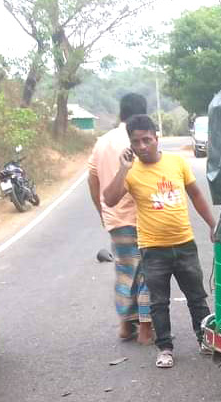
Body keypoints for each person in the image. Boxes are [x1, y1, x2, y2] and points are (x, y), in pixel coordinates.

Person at [103, 115, 217, 369]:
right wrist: (122, 167)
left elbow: (196, 194)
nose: (143, 146)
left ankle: (205, 339)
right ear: (130, 145)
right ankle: (165, 348)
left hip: (185, 244)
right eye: (136, 142)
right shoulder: (131, 173)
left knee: (197, 297)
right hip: (153, 250)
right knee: (158, 302)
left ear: (157, 138)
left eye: (147, 140)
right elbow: (109, 200)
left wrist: (212, 224)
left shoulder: (177, 162)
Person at [87, 93, 152, 345]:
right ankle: (146, 330)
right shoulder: (139, 140)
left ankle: (125, 325)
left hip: (114, 218)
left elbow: (92, 179)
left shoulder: (101, 142)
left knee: (125, 271)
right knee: (147, 272)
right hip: (140, 217)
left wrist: (101, 211)